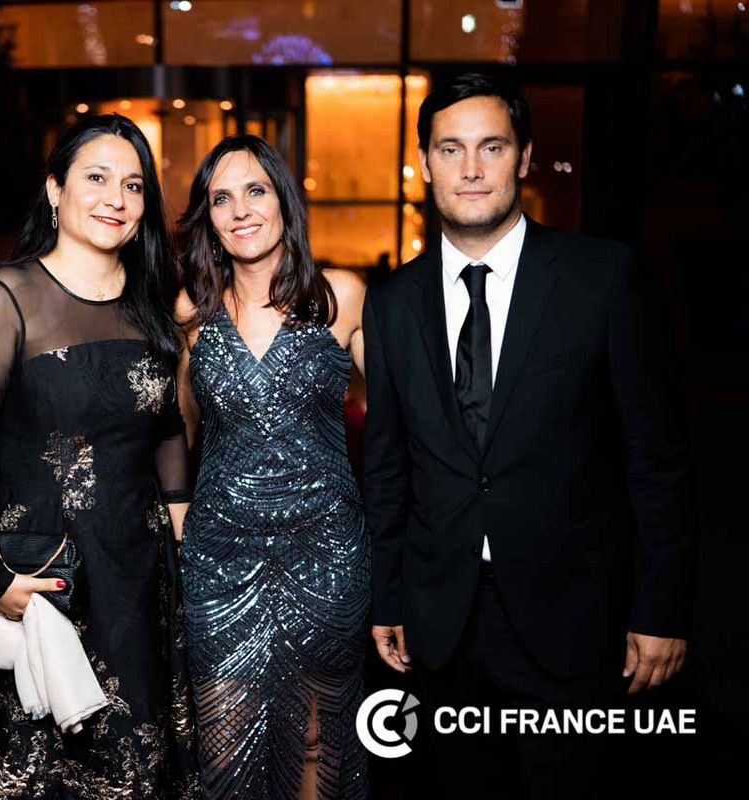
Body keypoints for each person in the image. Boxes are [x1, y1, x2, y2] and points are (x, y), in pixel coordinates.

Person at [363, 73, 695, 799]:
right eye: (450, 149)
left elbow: (658, 461)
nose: (471, 168)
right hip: (441, 623)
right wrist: (387, 597)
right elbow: (387, 466)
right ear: (425, 163)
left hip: (573, 618)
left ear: (525, 156)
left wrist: (661, 608)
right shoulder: (392, 301)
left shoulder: (601, 277)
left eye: (491, 147)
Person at [0, 113, 198, 799]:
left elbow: (166, 428)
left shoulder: (150, 304)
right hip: (41, 576)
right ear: (54, 189)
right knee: (36, 772)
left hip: (136, 580)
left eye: (133, 185)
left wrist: (179, 528)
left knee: (133, 767)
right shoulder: (8, 297)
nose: (116, 199)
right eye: (96, 178)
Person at [175, 135, 370, 800]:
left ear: (284, 199)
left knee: (318, 740)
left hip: (325, 556)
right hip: (220, 562)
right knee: (223, 747)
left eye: (255, 190)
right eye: (221, 199)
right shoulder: (192, 313)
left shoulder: (342, 296)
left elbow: (407, 428)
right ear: (209, 220)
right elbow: (176, 434)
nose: (240, 210)